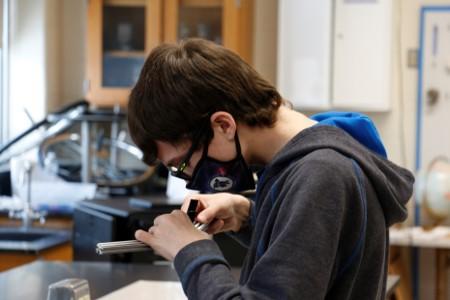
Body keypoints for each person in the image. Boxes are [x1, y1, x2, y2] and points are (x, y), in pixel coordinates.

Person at [127, 38, 414, 300]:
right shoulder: (313, 163)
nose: (188, 178)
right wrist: (249, 216)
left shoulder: (321, 173)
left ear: (224, 125)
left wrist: (190, 251)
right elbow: (315, 257)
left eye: (182, 163)